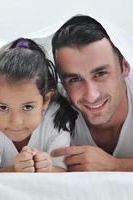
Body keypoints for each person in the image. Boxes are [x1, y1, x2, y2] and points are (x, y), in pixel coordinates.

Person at [50, 15, 133, 171]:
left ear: (125, 66)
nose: (91, 95)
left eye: (100, 73)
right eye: (74, 79)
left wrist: (116, 165)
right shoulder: (49, 107)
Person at [0, 38, 75, 173]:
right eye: (3, 108)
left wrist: (48, 168)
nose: (16, 122)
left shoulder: (56, 118)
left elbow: (62, 170)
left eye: (28, 107)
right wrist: (15, 169)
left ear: (46, 100)